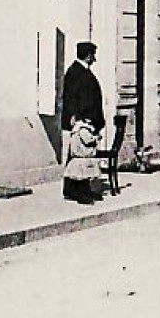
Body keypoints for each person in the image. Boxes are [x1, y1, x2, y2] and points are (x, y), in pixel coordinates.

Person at [61, 41, 106, 204]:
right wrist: (75, 118)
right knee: (79, 157)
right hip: (81, 123)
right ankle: (76, 192)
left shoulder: (82, 71)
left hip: (87, 121)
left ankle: (82, 189)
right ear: (87, 55)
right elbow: (70, 98)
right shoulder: (75, 72)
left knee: (85, 156)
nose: (94, 59)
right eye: (93, 55)